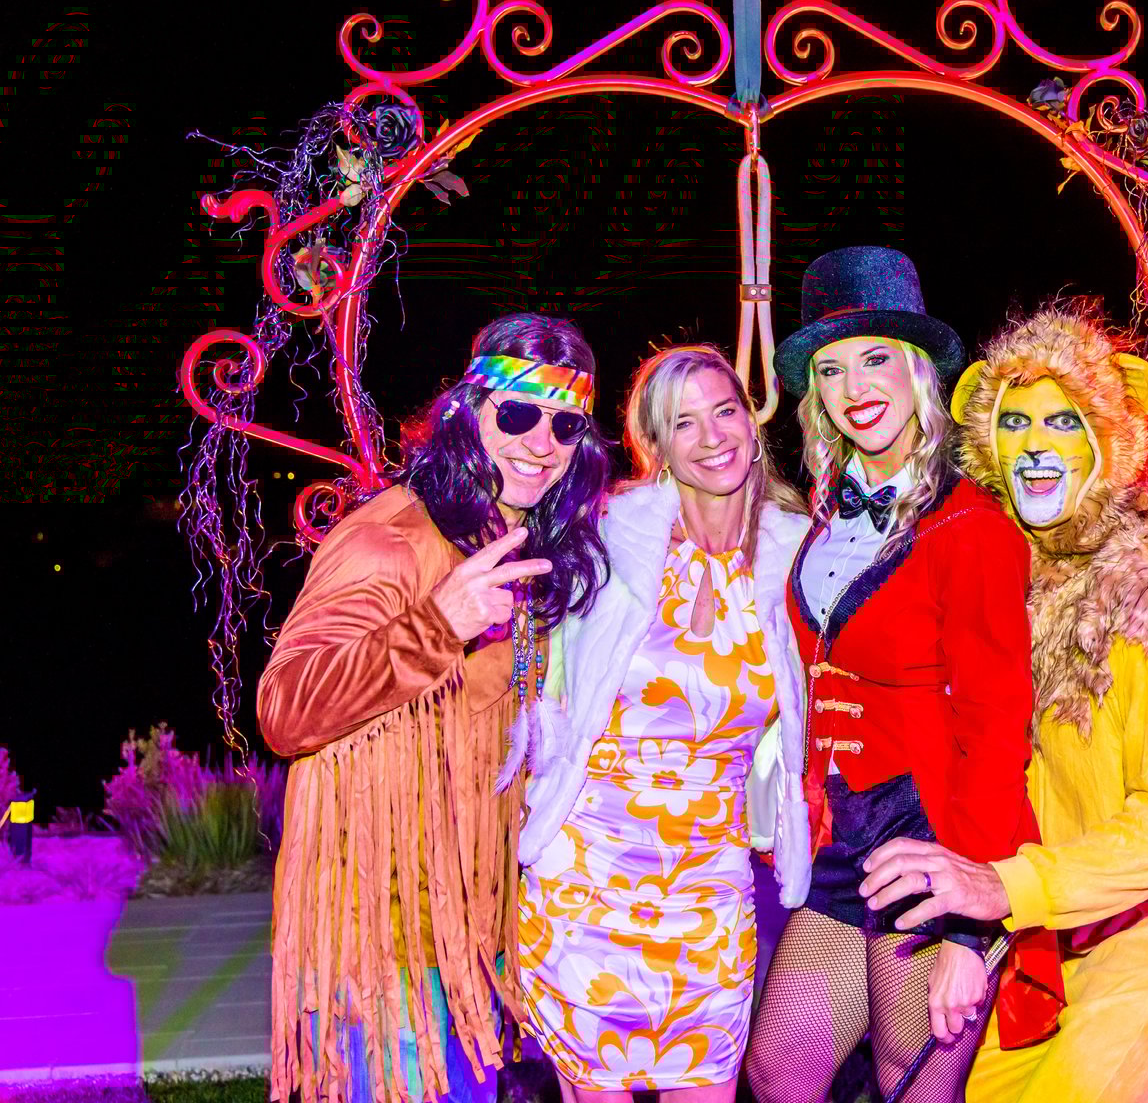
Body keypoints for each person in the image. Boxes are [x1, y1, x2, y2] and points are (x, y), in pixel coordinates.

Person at [858, 307, 1148, 1103]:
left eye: (1063, 421)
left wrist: (1004, 888)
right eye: (1015, 422)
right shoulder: (999, 567)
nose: (1035, 445)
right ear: (987, 445)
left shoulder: (1147, 586)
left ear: (1106, 440)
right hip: (1066, 901)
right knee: (972, 1087)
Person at [259, 314, 613, 1103]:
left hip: (468, 937)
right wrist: (435, 625)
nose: (540, 443)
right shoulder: (387, 539)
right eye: (517, 415)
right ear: (468, 414)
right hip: (380, 943)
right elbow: (285, 710)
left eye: (565, 426)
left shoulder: (519, 546)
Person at [745, 247, 1063, 1103]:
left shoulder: (972, 527)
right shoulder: (823, 516)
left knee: (910, 1079)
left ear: (919, 370)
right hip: (842, 838)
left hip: (931, 838)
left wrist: (968, 926)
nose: (854, 387)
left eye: (876, 359)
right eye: (832, 370)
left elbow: (996, 730)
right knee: (780, 1068)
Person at [508, 344, 814, 1101]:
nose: (712, 437)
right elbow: (536, 668)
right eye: (684, 422)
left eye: (725, 410)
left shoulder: (797, 550)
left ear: (751, 420)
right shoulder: (609, 539)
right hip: (588, 877)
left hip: (710, 884)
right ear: (655, 444)